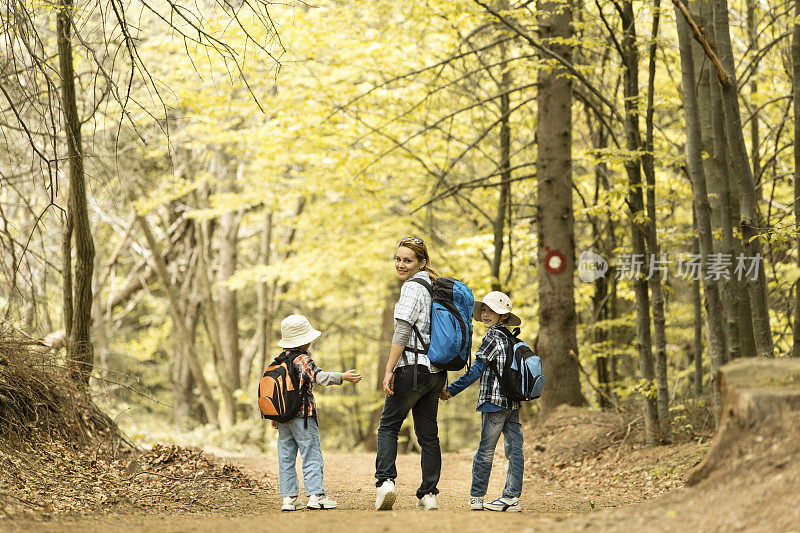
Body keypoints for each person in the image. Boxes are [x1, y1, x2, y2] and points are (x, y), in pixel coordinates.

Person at [374, 237, 447, 511]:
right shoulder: (435, 287)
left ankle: (385, 483)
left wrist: (389, 368)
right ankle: (429, 494)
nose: (400, 264)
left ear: (422, 263)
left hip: (412, 368)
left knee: (388, 425)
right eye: (398, 258)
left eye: (407, 260)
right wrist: (443, 377)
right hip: (435, 371)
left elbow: (403, 331)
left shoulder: (412, 288)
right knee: (428, 435)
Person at [440, 291, 524, 512]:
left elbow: (476, 370)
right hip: (512, 403)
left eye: (493, 311)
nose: (486, 314)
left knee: (485, 451)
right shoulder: (511, 338)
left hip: (494, 403)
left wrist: (452, 390)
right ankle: (511, 498)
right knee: (515, 450)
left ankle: (477, 497)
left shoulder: (492, 337)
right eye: (484, 310)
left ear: (503, 316)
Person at [272, 314, 362, 511]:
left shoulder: (278, 361)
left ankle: (289, 499)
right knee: (311, 455)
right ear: (305, 341)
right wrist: (342, 376)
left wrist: (275, 416)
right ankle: (317, 496)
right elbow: (319, 377)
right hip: (303, 417)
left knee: (286, 457)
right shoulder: (303, 359)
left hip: (282, 418)